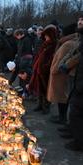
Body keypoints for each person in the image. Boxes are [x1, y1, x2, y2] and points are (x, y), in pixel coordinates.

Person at [47, 23, 79, 125]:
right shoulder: (67, 42)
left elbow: (61, 60)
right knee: (62, 97)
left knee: (62, 97)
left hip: (61, 74)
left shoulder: (68, 44)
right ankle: (62, 117)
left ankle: (63, 119)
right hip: (61, 74)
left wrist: (54, 70)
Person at [28, 25, 58, 114]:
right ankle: (40, 104)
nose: (45, 37)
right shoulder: (44, 44)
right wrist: (36, 65)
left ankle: (46, 107)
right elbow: (39, 56)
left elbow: (52, 58)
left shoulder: (54, 44)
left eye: (46, 35)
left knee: (46, 89)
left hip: (46, 71)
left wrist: (45, 67)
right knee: (39, 88)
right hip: (39, 69)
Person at [64, 13, 83, 151]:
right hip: (78, 79)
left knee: (76, 112)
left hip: (81, 83)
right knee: (74, 109)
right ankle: (72, 131)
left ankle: (79, 141)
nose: (80, 22)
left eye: (82, 20)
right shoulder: (80, 39)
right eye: (79, 20)